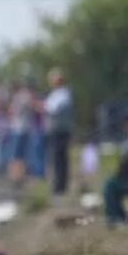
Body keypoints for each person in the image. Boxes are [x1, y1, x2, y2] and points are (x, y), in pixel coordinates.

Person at [43, 68, 75, 196]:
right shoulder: (56, 94)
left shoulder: (64, 94)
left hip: (60, 131)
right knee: (57, 159)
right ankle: (58, 186)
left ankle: (61, 187)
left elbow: (53, 109)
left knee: (60, 159)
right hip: (55, 130)